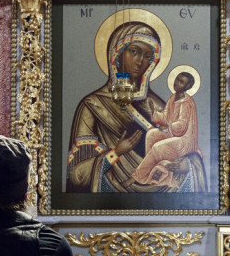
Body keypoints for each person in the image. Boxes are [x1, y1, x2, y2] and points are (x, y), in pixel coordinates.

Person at [67, 21, 207, 194]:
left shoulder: (154, 105)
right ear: (117, 55)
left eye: (148, 56)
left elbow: (187, 145)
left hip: (162, 193)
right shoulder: (93, 105)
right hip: (110, 194)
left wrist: (188, 165)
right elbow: (77, 175)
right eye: (134, 51)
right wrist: (116, 152)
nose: (140, 61)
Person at [132, 70, 202, 187]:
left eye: (181, 82)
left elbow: (182, 125)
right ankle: (152, 171)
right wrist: (155, 113)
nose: (177, 83)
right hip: (174, 134)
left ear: (187, 86)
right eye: (177, 80)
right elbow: (165, 116)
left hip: (185, 140)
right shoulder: (173, 98)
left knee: (157, 147)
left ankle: (138, 176)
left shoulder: (187, 102)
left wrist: (168, 127)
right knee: (152, 134)